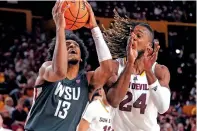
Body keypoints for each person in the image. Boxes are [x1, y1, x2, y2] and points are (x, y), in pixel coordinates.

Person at [24, 1, 113, 131]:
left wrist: (94, 28)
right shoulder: (46, 68)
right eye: (66, 45)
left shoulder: (87, 80)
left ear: (81, 57)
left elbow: (108, 69)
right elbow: (59, 72)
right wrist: (60, 28)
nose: (72, 45)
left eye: (75, 45)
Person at [103, 11, 171, 131]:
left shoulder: (160, 71)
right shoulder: (114, 66)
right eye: (132, 35)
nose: (132, 37)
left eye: (138, 36)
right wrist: (130, 63)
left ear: (148, 47)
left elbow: (163, 108)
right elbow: (113, 101)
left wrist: (148, 71)